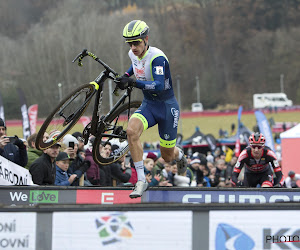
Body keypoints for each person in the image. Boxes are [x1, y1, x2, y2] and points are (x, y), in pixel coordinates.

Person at [114, 20, 187, 198]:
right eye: (130, 43)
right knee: (131, 131)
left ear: (146, 39)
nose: (133, 47)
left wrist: (133, 82)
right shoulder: (133, 53)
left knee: (167, 157)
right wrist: (125, 75)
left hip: (167, 107)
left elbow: (159, 85)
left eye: (137, 42)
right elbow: (135, 65)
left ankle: (180, 154)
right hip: (149, 105)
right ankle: (141, 180)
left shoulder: (157, 58)